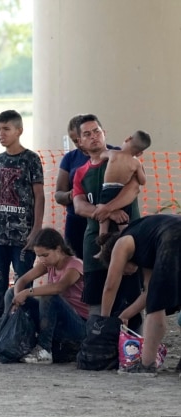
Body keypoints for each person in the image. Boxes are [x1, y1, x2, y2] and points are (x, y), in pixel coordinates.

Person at [0, 110, 44, 355]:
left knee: (23, 287)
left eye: (6, 129)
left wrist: (36, 230)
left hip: (22, 237)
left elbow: (39, 196)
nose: (1, 134)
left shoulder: (31, 160)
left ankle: (25, 335)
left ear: (19, 130)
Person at [72, 114, 142, 329]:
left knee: (131, 299)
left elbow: (134, 188)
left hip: (128, 238)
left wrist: (107, 208)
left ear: (104, 134)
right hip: (95, 241)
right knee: (96, 300)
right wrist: (108, 213)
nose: (93, 137)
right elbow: (79, 206)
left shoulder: (122, 159)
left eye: (97, 132)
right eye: (87, 134)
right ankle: (98, 346)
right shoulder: (80, 172)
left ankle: (134, 352)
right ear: (80, 142)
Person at [96, 214, 181, 377]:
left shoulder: (121, 242)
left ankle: (146, 365)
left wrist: (104, 321)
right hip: (173, 232)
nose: (128, 274)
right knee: (156, 299)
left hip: (173, 236)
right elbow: (149, 291)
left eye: (124, 271)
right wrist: (125, 315)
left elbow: (110, 286)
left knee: (156, 307)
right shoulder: (146, 244)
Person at [4, 228, 88, 364]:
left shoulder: (75, 265)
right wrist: (17, 297)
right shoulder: (47, 263)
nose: (42, 259)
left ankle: (44, 350)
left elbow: (58, 288)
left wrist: (27, 292)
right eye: (39, 256)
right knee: (10, 293)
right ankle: (10, 344)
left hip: (77, 325)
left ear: (59, 249)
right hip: (56, 322)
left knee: (49, 296)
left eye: (45, 255)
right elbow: (22, 280)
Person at [96, 130, 151, 237]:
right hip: (122, 194)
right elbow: (142, 181)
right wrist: (137, 169)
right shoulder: (136, 163)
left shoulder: (113, 153)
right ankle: (123, 246)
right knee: (123, 225)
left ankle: (102, 249)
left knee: (103, 222)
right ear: (140, 153)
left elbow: (101, 155)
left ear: (127, 139)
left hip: (107, 190)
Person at [54, 115, 88, 259]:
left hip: (104, 220)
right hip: (77, 220)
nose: (79, 144)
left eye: (81, 138)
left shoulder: (112, 154)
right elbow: (58, 195)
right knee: (75, 261)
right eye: (75, 141)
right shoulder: (70, 159)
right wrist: (73, 194)